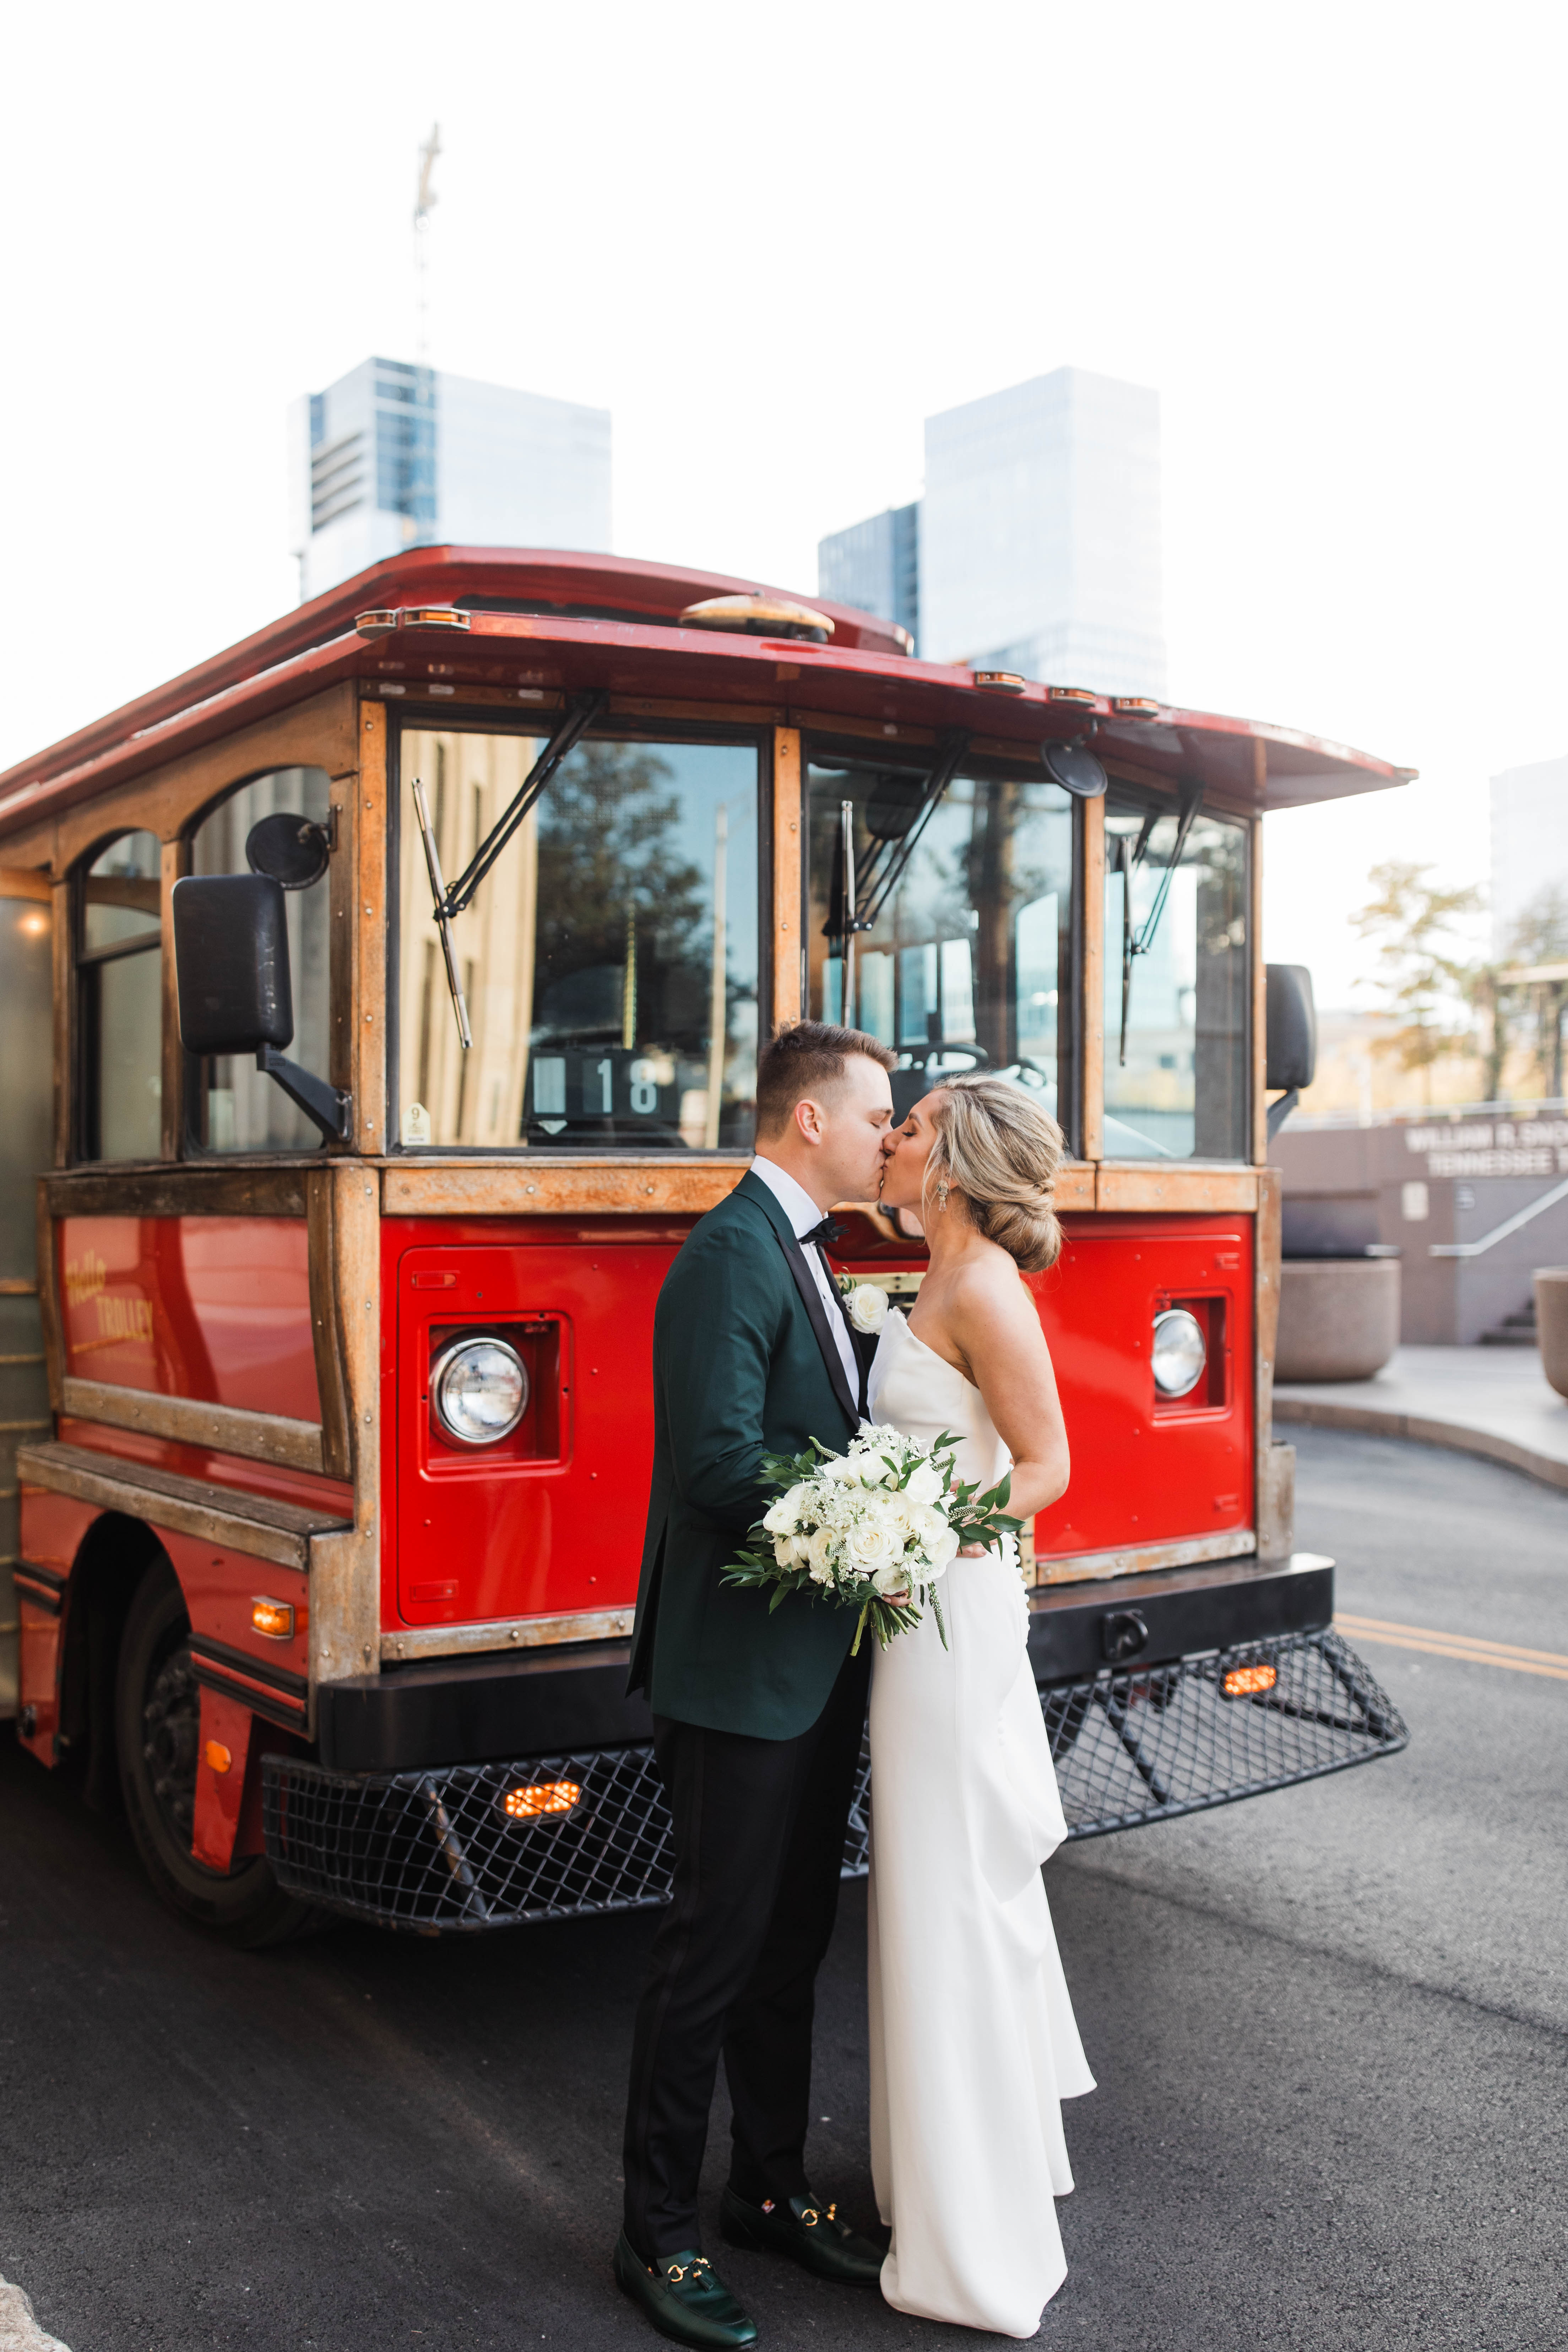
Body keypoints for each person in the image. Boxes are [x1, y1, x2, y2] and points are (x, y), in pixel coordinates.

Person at [616, 1020, 897, 2351]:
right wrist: (873, 1513)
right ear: (808, 1125)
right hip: (737, 1672)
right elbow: (722, 1471)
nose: (887, 1137)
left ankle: (769, 2192)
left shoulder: (806, 1252)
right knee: (709, 1954)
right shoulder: (729, 1256)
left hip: (813, 1663)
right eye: (875, 1116)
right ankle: (657, 2237)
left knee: (791, 1946)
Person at [866, 1072, 1095, 2340]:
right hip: (922, 1616)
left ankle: (976, 2232)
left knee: (950, 1890)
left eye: (906, 1129)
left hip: (949, 1612)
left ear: (947, 1161)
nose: (888, 1141)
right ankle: (935, 2180)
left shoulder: (985, 1290)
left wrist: (920, 1529)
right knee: (924, 1890)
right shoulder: (936, 1278)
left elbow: (1050, 1463)